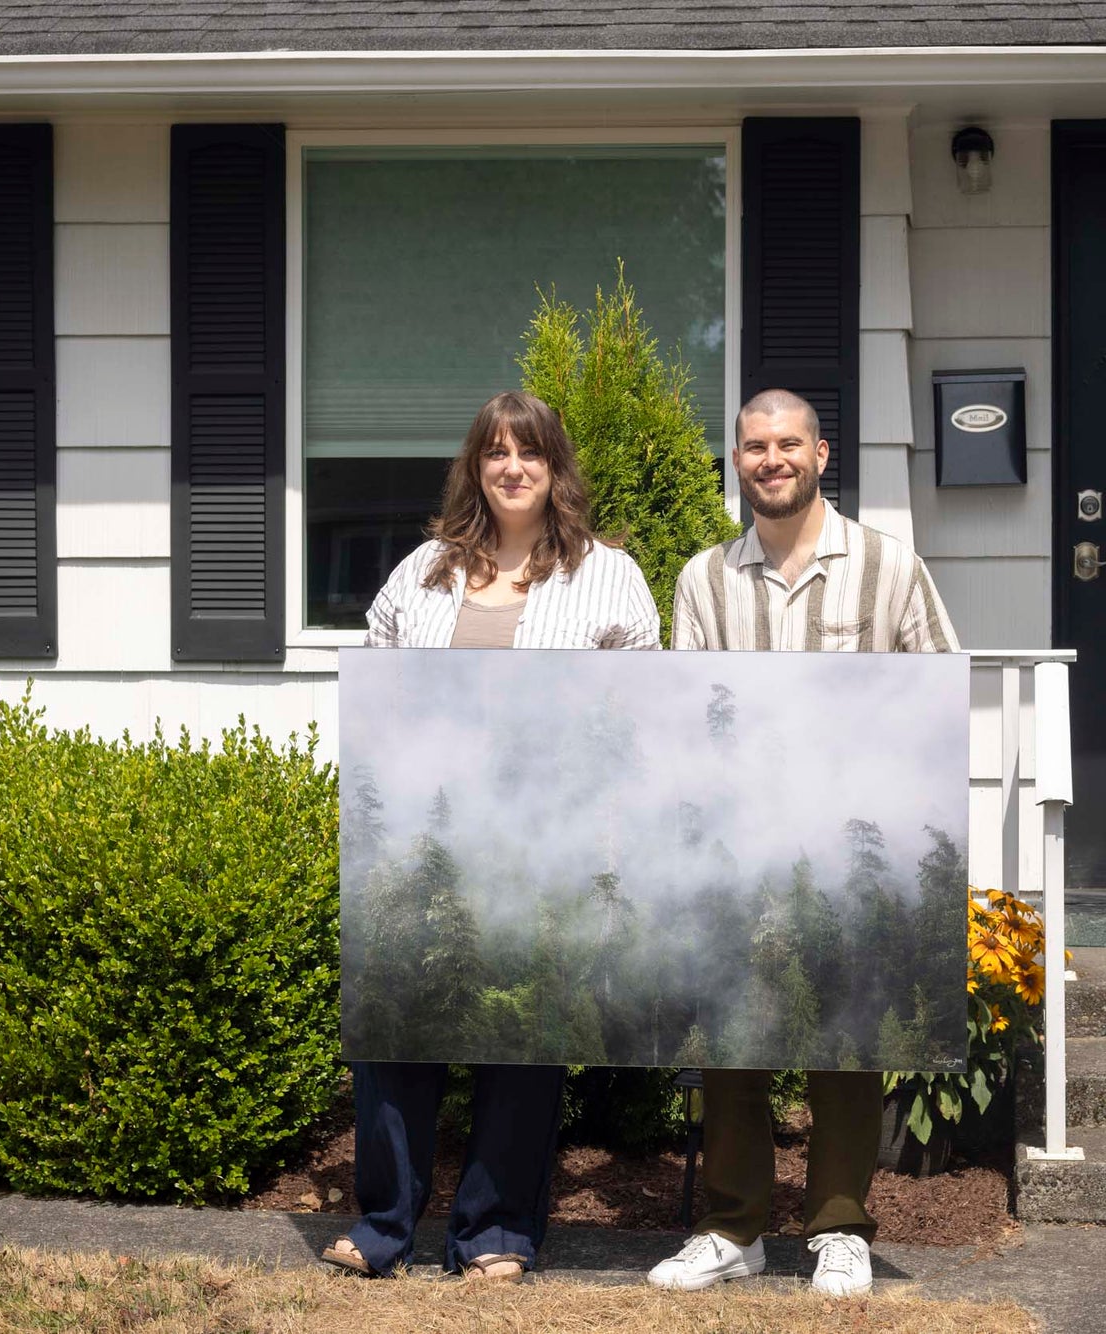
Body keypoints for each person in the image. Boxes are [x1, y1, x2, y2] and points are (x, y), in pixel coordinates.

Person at [322, 389, 659, 1282]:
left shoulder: (605, 576)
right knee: (401, 1028)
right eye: (496, 452)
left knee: (522, 1033)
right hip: (422, 841)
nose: (513, 467)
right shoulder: (425, 570)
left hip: (543, 841)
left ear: (556, 469)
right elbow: (376, 687)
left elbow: (637, 711)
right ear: (476, 467)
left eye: (531, 453)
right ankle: (388, 1222)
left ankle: (499, 1230)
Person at [648, 388, 958, 1298]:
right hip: (741, 847)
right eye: (754, 446)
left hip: (853, 844)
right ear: (737, 462)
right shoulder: (703, 580)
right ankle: (731, 1229)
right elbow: (688, 720)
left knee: (847, 1033)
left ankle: (839, 1230)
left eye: (788, 444)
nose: (771, 459)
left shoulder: (889, 567)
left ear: (823, 455)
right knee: (735, 1033)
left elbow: (936, 700)